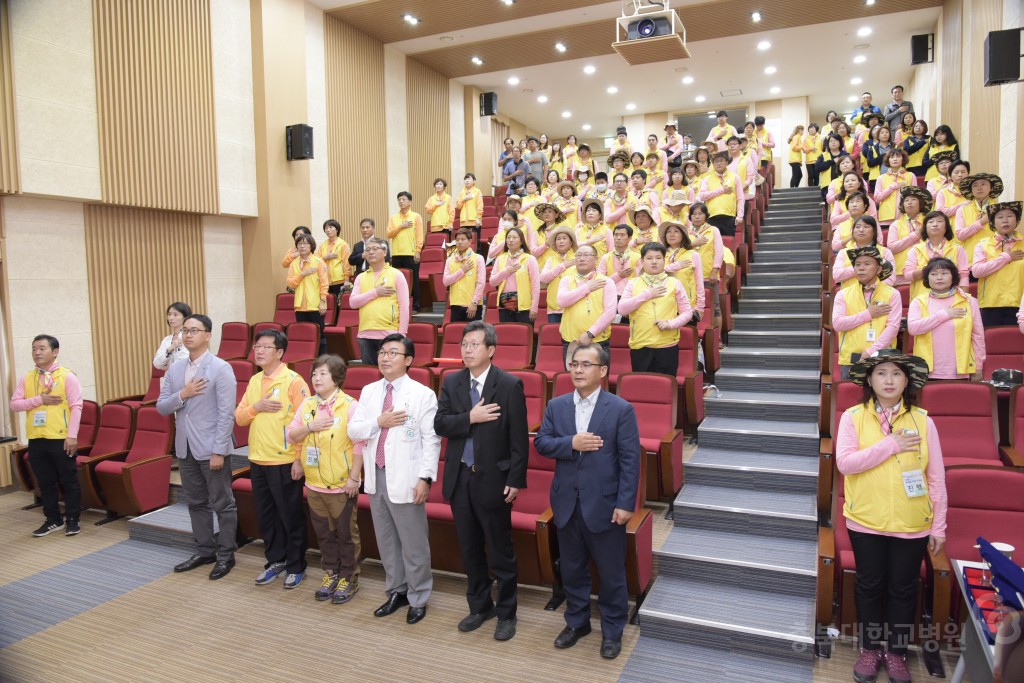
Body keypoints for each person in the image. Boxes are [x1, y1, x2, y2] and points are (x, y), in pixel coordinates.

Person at [837, 350, 945, 683]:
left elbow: (936, 477)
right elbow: (846, 464)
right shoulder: (852, 417)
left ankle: (896, 653)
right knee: (869, 587)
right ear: (869, 380)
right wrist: (891, 445)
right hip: (866, 519)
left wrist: (938, 525)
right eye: (881, 373)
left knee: (903, 590)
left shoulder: (924, 421)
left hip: (912, 522)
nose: (888, 380)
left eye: (896, 374)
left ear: (907, 381)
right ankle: (870, 649)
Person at [534, 343, 640, 660]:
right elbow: (542, 443)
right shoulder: (557, 405)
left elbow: (631, 461)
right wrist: (572, 443)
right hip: (566, 504)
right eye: (574, 364)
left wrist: (625, 503)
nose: (578, 370)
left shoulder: (620, 409)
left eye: (585, 364)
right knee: (573, 570)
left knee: (610, 574)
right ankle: (577, 623)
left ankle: (612, 630)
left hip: (605, 506)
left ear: (603, 370)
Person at [434, 321, 529, 642]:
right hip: (460, 479)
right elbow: (440, 424)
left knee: (501, 550)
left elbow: (519, 438)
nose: (467, 350)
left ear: (491, 349)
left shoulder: (508, 384)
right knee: (470, 548)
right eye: (464, 345)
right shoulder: (452, 381)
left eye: (474, 345)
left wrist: (516, 479)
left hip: (494, 480)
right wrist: (469, 418)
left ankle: (507, 613)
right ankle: (479, 607)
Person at [349, 334, 441, 623]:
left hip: (407, 475)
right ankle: (396, 591)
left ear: (409, 360)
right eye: (382, 352)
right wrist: (379, 422)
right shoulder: (369, 391)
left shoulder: (422, 394)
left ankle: (419, 596)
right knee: (387, 539)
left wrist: (425, 478)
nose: (385, 357)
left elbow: (431, 440)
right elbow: (354, 430)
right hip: (376, 474)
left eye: (393, 352)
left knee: (413, 542)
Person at [156, 314, 238, 579]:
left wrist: (218, 450)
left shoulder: (221, 368)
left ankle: (226, 555)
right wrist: (183, 394)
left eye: (194, 330)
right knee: (195, 503)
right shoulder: (176, 369)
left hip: (212, 448)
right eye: (184, 331)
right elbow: (161, 406)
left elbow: (227, 414)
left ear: (208, 335)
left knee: (223, 503)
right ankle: (204, 550)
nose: (188, 335)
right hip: (185, 447)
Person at [235, 329, 310, 588]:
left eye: (266, 347)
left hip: (285, 460)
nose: (259, 350)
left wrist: (299, 460)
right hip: (257, 459)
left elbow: (305, 423)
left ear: (279, 352)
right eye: (257, 346)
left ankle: (296, 565)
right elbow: (240, 417)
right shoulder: (255, 381)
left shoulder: (294, 381)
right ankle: (275, 561)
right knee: (267, 516)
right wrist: (257, 407)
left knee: (290, 515)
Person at [287, 355, 363, 604]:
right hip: (314, 484)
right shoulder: (307, 405)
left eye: (323, 374)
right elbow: (291, 435)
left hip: (342, 484)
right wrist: (311, 427)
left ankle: (349, 578)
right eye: (315, 374)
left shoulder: (350, 405)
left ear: (337, 378)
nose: (316, 378)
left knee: (346, 535)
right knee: (324, 534)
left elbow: (360, 444)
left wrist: (354, 478)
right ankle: (330, 573)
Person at [10, 334, 83, 537]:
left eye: (42, 348)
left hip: (61, 438)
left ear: (55, 351)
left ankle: (73, 519)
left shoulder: (67, 376)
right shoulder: (27, 378)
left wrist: (73, 436)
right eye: (34, 349)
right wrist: (38, 399)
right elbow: (15, 405)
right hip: (37, 438)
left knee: (68, 481)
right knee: (45, 482)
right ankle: (52, 520)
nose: (37, 352)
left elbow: (77, 407)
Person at [618, 242, 694, 376]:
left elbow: (687, 312)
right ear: (642, 261)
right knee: (642, 389)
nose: (654, 262)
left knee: (666, 388)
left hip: (667, 345)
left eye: (658, 258)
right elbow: (622, 310)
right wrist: (647, 294)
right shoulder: (633, 283)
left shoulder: (674, 283)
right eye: (649, 258)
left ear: (664, 260)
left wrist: (671, 324)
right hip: (640, 345)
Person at [907, 258, 985, 380]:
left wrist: (978, 365)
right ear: (927, 278)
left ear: (953, 277)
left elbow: (978, 336)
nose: (939, 277)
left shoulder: (969, 301)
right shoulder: (919, 301)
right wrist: (943, 315)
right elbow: (913, 328)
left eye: (944, 273)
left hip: (961, 370)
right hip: (926, 369)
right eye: (933, 274)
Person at [831, 249, 902, 379]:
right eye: (857, 264)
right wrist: (868, 314)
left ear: (879, 269)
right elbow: (838, 324)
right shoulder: (843, 294)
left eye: (867, 264)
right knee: (851, 397)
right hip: (851, 359)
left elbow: (893, 328)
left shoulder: (892, 294)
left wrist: (870, 352)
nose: (861, 268)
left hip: (883, 358)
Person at [350, 237, 410, 365]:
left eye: (375, 249)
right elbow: (353, 303)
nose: (370, 252)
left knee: (390, 373)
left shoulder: (396, 274)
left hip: (389, 334)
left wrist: (402, 334)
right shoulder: (361, 277)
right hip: (365, 334)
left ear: (384, 252)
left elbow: (404, 306)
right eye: (368, 250)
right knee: (370, 377)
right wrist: (376, 292)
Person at [557, 245, 616, 358]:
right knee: (573, 375)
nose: (582, 258)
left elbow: (610, 313)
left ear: (596, 259)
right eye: (579, 255)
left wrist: (590, 334)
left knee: (598, 375)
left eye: (586, 255)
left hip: (597, 340)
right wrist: (586, 288)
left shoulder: (606, 281)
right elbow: (562, 301)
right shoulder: (567, 279)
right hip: (571, 340)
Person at [971, 202, 1024, 327]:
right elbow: (977, 272)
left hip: (1019, 304)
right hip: (991, 304)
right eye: (1000, 217)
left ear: (1017, 220)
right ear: (993, 223)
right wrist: (1005, 257)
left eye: (1010, 216)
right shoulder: (982, 244)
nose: (1005, 220)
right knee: (991, 343)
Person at [902, 211, 969, 301]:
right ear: (925, 228)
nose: (935, 224)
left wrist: (964, 298)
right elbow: (907, 275)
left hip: (952, 299)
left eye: (939, 221)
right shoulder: (916, 249)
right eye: (931, 222)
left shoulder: (957, 249)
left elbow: (963, 275)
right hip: (922, 300)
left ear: (946, 227)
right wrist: (930, 270)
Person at [286, 234, 329, 356]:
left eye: (305, 243)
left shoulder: (318, 262)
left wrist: (323, 301)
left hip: (315, 305)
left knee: (320, 334)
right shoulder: (294, 264)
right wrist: (302, 274)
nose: (302, 246)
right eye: (299, 244)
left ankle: (322, 359)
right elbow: (291, 284)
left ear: (311, 246)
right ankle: (306, 358)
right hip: (300, 306)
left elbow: (324, 284)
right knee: (303, 335)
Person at [490, 227, 540, 324]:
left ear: (521, 241)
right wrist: (506, 271)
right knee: (507, 336)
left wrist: (534, 307)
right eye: (508, 237)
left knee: (523, 336)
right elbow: (492, 282)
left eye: (514, 237)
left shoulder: (529, 259)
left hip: (524, 307)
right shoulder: (500, 259)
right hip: (505, 305)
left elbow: (535, 285)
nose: (511, 240)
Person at [832, 216, 896, 290]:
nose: (861, 230)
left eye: (866, 227)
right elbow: (836, 275)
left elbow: (891, 278)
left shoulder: (885, 252)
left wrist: (874, 288)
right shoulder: (844, 252)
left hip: (877, 295)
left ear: (874, 232)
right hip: (849, 297)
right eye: (858, 227)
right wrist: (859, 267)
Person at [688, 202, 725, 329]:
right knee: (691, 307)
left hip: (709, 275)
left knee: (715, 307)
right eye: (694, 214)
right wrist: (693, 243)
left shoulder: (713, 230)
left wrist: (715, 271)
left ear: (706, 216)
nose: (697, 217)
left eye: (700, 214)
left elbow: (719, 252)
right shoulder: (686, 233)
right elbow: (682, 249)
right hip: (690, 277)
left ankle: (717, 339)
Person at [955, 172, 1003, 268]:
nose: (979, 188)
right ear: (971, 190)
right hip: (969, 261)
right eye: (975, 185)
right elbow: (960, 235)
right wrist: (981, 222)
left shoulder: (1000, 210)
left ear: (991, 187)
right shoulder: (962, 210)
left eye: (983, 184)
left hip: (994, 259)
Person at [387, 191, 424, 313]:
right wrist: (400, 226)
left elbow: (419, 235)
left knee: (414, 280)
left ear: (410, 202)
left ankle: (415, 306)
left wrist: (418, 250)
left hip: (411, 253)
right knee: (397, 280)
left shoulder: (416, 216)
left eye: (403, 199)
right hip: (397, 254)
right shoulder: (394, 217)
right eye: (399, 199)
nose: (401, 201)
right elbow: (389, 234)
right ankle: (399, 305)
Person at [886, 187, 931, 286]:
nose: (909, 203)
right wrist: (915, 235)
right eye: (906, 200)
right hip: (901, 272)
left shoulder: (929, 222)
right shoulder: (896, 224)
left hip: (925, 270)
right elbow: (892, 247)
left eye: (913, 199)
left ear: (921, 203)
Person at [660, 220, 705, 316]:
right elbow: (657, 275)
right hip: (664, 306)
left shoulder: (693, 255)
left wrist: (700, 306)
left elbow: (699, 282)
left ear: (683, 236)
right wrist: (675, 266)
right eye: (668, 231)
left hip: (688, 306)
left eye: (676, 231)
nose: (671, 234)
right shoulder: (660, 256)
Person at [698, 151, 744, 238]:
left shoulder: (735, 177)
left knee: (729, 243)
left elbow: (740, 198)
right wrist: (721, 190)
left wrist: (740, 216)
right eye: (716, 161)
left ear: (727, 162)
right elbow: (702, 196)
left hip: (729, 217)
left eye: (721, 160)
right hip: (712, 217)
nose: (719, 163)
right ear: (713, 164)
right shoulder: (707, 179)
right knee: (713, 244)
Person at [443, 228, 485, 323]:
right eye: (457, 240)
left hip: (473, 305)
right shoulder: (450, 260)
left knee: (474, 335)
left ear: (470, 241)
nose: (460, 242)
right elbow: (446, 281)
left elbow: (481, 283)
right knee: (456, 336)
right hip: (456, 304)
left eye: (463, 239)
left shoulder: (478, 258)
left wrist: (474, 303)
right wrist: (461, 271)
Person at [541, 225, 578, 324]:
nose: (561, 241)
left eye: (564, 238)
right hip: (554, 308)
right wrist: (562, 266)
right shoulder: (550, 259)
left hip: (573, 307)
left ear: (571, 242)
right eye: (558, 239)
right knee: (553, 338)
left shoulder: (578, 258)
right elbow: (544, 278)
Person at [598, 224, 641, 303]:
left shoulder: (637, 258)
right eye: (616, 235)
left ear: (630, 238)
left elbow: (640, 281)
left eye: (622, 235)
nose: (618, 238)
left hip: (630, 297)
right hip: (610, 297)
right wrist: (618, 275)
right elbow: (599, 282)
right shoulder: (606, 258)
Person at [873, 150, 915, 226]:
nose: (895, 159)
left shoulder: (911, 175)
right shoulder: (881, 178)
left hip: (905, 218)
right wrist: (893, 186)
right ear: (888, 160)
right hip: (886, 219)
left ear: (903, 159)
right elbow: (877, 199)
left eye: (898, 156)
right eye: (892, 157)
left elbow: (915, 197)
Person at [317, 219, 352, 305]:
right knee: (328, 305)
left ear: (337, 229)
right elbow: (316, 260)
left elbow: (346, 263)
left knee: (339, 305)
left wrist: (346, 279)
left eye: (330, 227)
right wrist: (325, 257)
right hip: (325, 280)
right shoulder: (323, 245)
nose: (328, 230)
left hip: (339, 280)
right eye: (326, 228)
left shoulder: (343, 244)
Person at [153, 302, 192, 371]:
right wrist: (170, 349)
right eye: (169, 314)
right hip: (168, 380)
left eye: (175, 315)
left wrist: (167, 366)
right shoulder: (166, 340)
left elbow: (184, 363)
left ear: (185, 317)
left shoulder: (189, 337)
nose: (171, 318)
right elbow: (157, 364)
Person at [457, 173, 484, 238]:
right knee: (464, 240)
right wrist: (464, 199)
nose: (467, 181)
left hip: (474, 220)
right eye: (465, 179)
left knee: (476, 240)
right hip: (464, 221)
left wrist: (478, 218)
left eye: (469, 179)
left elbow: (480, 205)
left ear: (474, 181)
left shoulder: (477, 191)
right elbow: (458, 206)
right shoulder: (462, 192)